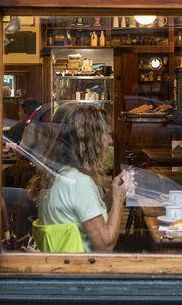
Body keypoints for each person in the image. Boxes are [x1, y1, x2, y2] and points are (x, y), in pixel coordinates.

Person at [28, 104, 130, 252]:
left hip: (64, 268)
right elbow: (105, 244)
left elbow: (91, 212)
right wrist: (119, 200)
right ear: (90, 140)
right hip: (83, 269)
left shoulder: (61, 175)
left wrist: (113, 192)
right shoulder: (78, 183)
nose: (110, 141)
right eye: (106, 134)